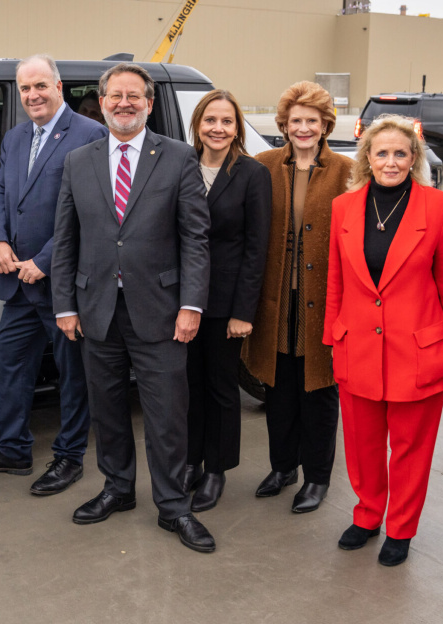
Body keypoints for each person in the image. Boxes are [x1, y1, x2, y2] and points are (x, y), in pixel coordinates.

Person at [50, 63, 215, 553]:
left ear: (148, 103)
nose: (124, 103)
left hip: (162, 310)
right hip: (95, 308)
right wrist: (65, 305)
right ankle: (118, 489)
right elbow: (65, 239)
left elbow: (196, 239)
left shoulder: (179, 157)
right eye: (115, 96)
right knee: (108, 410)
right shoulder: (79, 160)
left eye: (134, 96)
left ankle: (173, 507)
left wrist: (191, 305)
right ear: (100, 103)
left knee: (166, 415)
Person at [323, 114, 443, 567]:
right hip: (357, 345)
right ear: (367, 157)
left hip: (420, 348)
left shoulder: (439, 207)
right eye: (381, 153)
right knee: (363, 445)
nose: (391, 162)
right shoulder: (343, 208)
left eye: (400, 154)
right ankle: (367, 516)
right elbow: (336, 279)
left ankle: (401, 527)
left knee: (411, 448)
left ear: (414, 159)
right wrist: (333, 335)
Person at [0, 54, 106, 495]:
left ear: (59, 87)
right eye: (25, 89)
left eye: (41, 86)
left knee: (71, 373)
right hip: (20, 281)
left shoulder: (89, 134)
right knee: (7, 359)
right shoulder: (17, 136)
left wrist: (45, 259)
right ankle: (13, 449)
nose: (32, 95)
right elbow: (1, 190)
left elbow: (88, 211)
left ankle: (69, 458)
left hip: (61, 279)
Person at [243, 81, 353, 514]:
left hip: (324, 301)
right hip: (275, 298)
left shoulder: (347, 170)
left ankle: (317, 477)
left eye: (312, 121)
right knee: (279, 387)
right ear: (284, 125)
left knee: (319, 391)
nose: (303, 128)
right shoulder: (263, 165)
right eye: (295, 121)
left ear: (325, 125)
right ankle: (282, 466)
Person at [182, 90, 271, 512]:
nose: (218, 129)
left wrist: (242, 312)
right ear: (197, 123)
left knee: (220, 386)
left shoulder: (252, 174)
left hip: (224, 301)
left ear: (237, 129)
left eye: (227, 121)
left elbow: (258, 248)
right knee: (189, 385)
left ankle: (216, 470)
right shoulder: (180, 165)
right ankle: (191, 461)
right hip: (181, 299)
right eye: (210, 120)